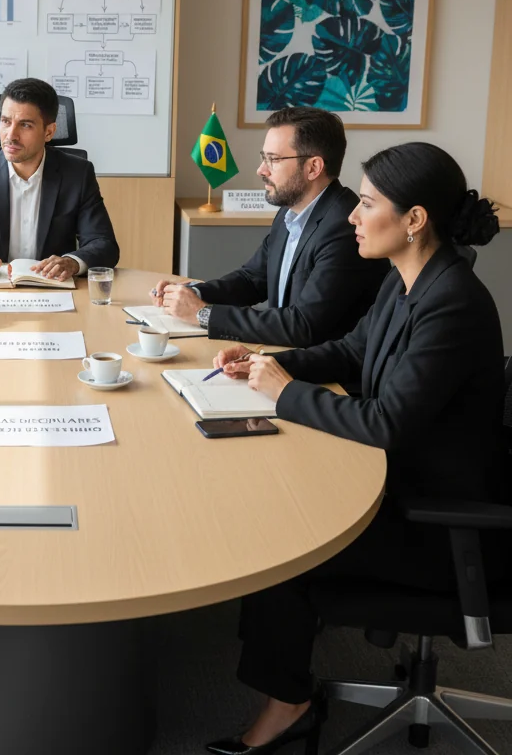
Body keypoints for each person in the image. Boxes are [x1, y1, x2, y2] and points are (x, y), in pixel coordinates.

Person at [205, 142, 507, 755]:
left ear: (414, 219)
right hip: (398, 483)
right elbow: (349, 351)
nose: (350, 216)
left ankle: (289, 705)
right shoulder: (410, 279)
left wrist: (285, 393)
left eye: (366, 203)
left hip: (440, 525)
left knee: (278, 541)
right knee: (276, 506)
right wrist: (267, 363)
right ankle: (284, 673)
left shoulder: (451, 303)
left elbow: (387, 422)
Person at [154, 107, 390, 347]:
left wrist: (202, 314)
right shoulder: (290, 212)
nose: (261, 170)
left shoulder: (344, 228)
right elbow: (252, 279)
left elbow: (303, 326)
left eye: (273, 160)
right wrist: (194, 294)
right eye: (263, 157)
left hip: (326, 374)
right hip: (283, 357)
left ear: (313, 168)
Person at [0, 78, 119, 279]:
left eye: (25, 125)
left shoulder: (77, 174)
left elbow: (104, 244)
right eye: (6, 121)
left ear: (49, 132)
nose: (11, 135)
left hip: (52, 291)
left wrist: (72, 262)